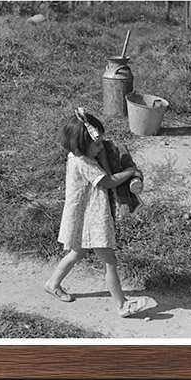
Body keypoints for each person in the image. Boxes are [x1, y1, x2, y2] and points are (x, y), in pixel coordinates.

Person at [45, 107, 151, 317]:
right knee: (109, 260)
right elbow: (109, 182)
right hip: (91, 218)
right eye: (97, 144)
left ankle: (52, 283)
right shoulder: (83, 163)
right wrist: (131, 171)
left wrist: (103, 149)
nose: (100, 146)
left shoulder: (78, 155)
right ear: (83, 145)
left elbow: (101, 156)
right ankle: (122, 305)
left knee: (77, 252)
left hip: (84, 216)